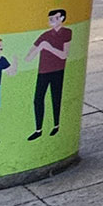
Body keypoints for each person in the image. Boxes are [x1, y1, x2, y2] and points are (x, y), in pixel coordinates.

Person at [26, 8, 72, 140]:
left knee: (56, 97)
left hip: (58, 70)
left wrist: (49, 47)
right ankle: (38, 129)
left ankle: (56, 125)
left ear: (62, 18)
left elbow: (64, 55)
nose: (51, 20)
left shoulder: (67, 32)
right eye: (50, 18)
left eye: (54, 18)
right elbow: (29, 57)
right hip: (43, 70)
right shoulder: (45, 35)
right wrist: (40, 48)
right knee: (38, 99)